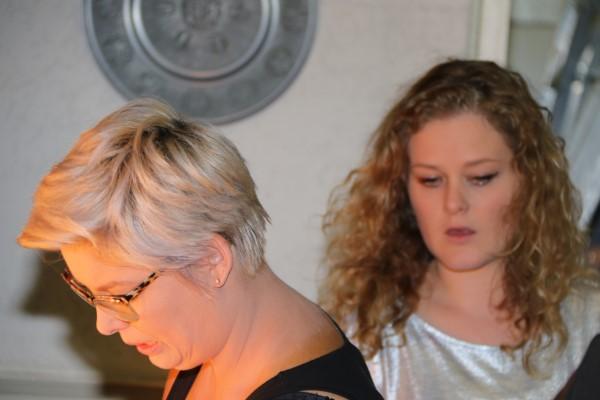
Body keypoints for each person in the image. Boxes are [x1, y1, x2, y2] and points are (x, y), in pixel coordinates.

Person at [18, 98, 383, 400]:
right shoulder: (202, 346)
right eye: (88, 294)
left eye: (120, 296)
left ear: (210, 261)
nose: (105, 325)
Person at [319, 59, 600, 399]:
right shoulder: (365, 339)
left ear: (531, 180)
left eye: (480, 178)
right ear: (401, 189)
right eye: (430, 180)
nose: (454, 203)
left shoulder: (591, 320)